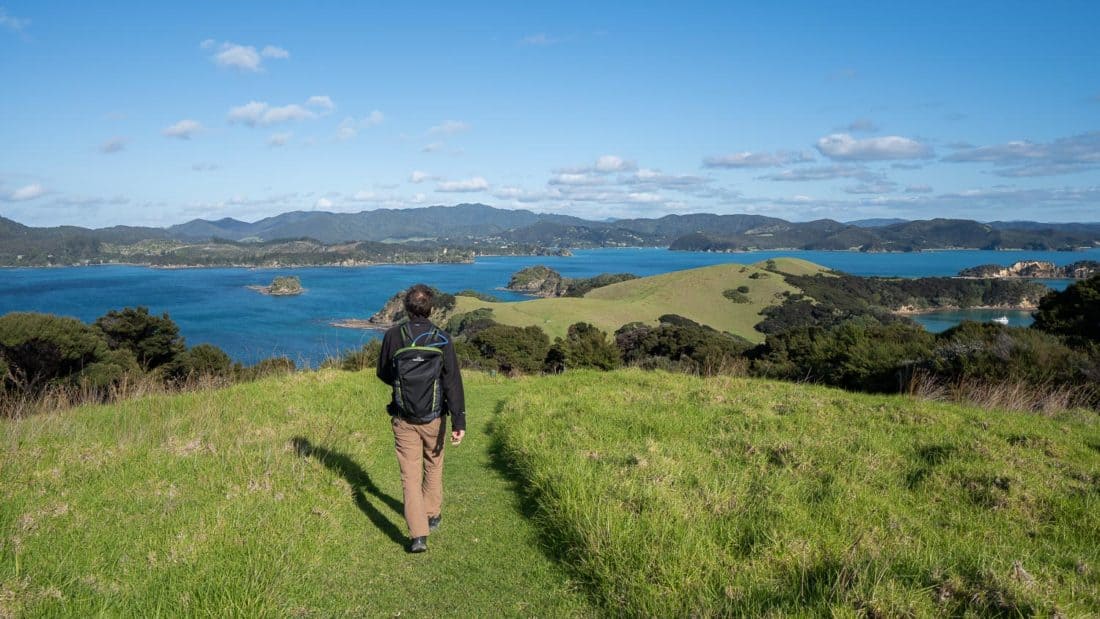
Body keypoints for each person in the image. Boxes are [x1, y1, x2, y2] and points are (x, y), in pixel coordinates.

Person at [376, 284, 466, 553]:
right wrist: (459, 423)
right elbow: (452, 383)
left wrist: (403, 385)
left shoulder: (393, 335)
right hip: (435, 416)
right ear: (431, 309)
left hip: (403, 417)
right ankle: (432, 514)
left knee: (409, 476)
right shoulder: (442, 338)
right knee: (434, 465)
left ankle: (418, 536)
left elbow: (382, 372)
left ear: (406, 307)